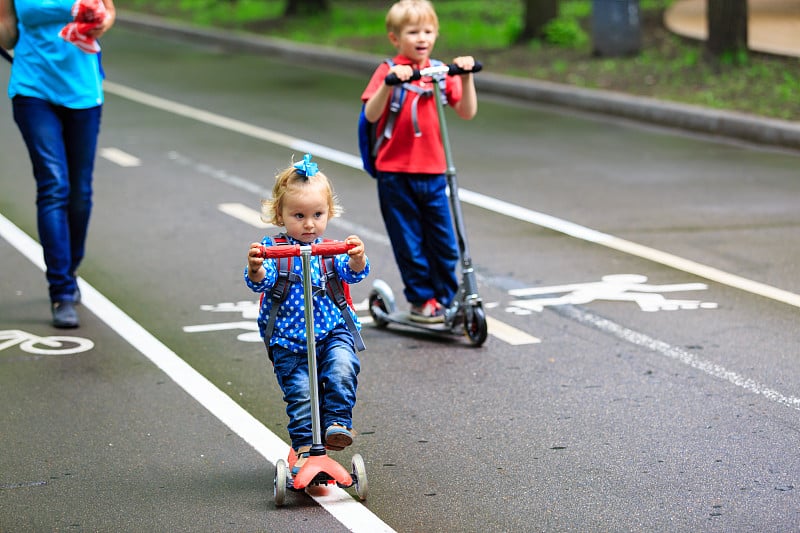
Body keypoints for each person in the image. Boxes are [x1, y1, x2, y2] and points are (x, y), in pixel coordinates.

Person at [245, 154, 369, 471]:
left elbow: (354, 273)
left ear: (329, 212)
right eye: (298, 215)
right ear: (280, 214)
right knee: (300, 396)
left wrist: (355, 257)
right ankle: (304, 449)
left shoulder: (331, 249)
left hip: (332, 332)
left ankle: (338, 424)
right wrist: (257, 267)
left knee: (342, 367)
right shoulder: (275, 250)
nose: (309, 223)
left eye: (317, 214)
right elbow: (262, 283)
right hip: (289, 339)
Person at [0, 0, 116, 328]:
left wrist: (99, 23)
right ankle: (61, 289)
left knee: (79, 192)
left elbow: (108, 13)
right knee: (53, 185)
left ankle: (68, 266)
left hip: (83, 89)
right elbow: (8, 35)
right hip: (32, 88)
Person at [360, 0, 477, 323]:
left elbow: (467, 111)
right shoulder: (388, 70)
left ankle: (447, 299)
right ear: (396, 38)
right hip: (395, 175)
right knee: (410, 243)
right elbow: (371, 114)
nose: (421, 37)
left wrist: (465, 76)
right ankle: (421, 300)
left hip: (435, 172)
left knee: (445, 243)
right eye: (413, 32)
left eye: (428, 30)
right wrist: (389, 83)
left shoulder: (439, 72)